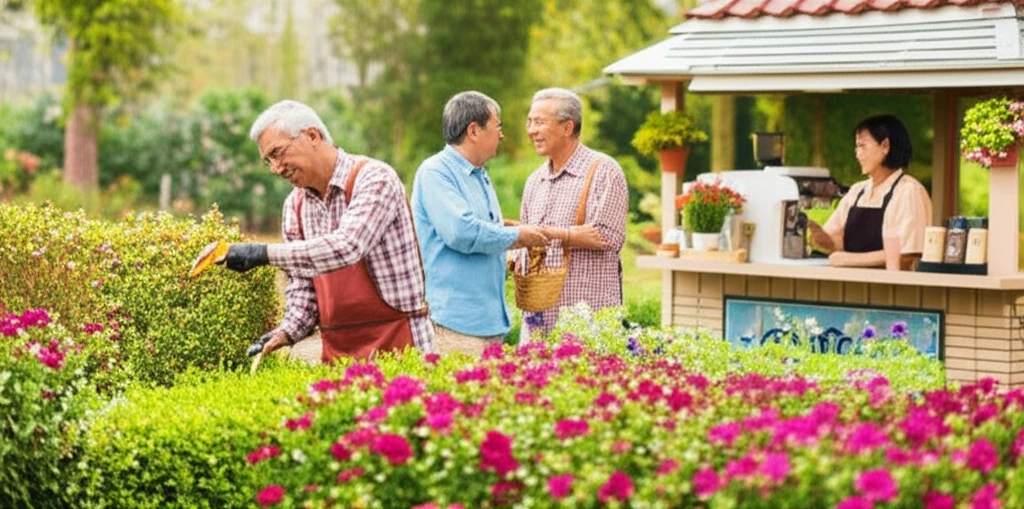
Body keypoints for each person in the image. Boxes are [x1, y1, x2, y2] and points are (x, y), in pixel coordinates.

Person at [212, 99, 435, 361]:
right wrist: (286, 332)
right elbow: (303, 285)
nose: (275, 168)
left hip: (400, 342)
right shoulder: (294, 207)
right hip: (339, 352)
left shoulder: (375, 178)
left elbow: (347, 246)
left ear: (312, 135)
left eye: (278, 153)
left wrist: (261, 253)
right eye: (268, 161)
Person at [411, 91, 549, 356]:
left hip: (488, 323)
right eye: (497, 126)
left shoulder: (479, 175)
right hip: (456, 325)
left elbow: (481, 228)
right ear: (474, 130)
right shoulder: (436, 172)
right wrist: (517, 236)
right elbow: (461, 232)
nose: (501, 135)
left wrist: (506, 229)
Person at [517, 88, 629, 340]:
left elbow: (608, 237)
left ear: (567, 127)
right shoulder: (535, 180)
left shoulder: (604, 171)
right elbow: (525, 243)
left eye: (539, 122)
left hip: (588, 319)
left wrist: (551, 233)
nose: (531, 130)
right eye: (530, 121)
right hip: (538, 321)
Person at [808, 114, 932, 269]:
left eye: (862, 146)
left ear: (885, 146)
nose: (857, 153)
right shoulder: (857, 191)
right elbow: (836, 244)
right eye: (856, 147)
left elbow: (906, 255)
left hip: (890, 290)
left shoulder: (908, 192)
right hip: (850, 288)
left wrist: (848, 260)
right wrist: (819, 235)